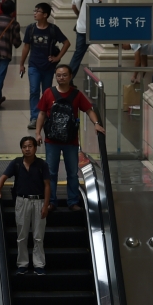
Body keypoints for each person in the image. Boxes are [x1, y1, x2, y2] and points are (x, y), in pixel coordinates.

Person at [36, 64, 105, 211]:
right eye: (58, 75)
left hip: (71, 141)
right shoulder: (48, 93)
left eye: (64, 75)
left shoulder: (77, 94)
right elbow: (41, 114)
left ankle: (73, 201)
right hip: (51, 141)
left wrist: (96, 124)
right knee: (51, 172)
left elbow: (89, 110)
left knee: (72, 173)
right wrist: (37, 133)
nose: (61, 77)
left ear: (70, 76)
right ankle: (51, 201)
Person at [0, 136, 52, 273]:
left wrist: (45, 205)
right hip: (22, 201)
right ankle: (22, 264)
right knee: (22, 235)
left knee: (38, 236)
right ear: (21, 149)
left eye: (30, 146)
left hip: (38, 201)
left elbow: (47, 185)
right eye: (24, 147)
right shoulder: (16, 163)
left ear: (35, 148)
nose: (27, 149)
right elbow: (3, 177)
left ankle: (39, 265)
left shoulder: (42, 164)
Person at [19, 2, 70, 129]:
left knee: (47, 92)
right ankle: (34, 117)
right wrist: (21, 64)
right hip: (34, 65)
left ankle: (45, 116)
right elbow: (26, 47)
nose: (35, 13)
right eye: (35, 10)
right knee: (34, 91)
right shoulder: (31, 28)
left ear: (45, 15)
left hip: (48, 66)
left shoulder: (53, 29)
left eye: (38, 11)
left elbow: (66, 43)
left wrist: (58, 58)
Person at [0, 0, 22, 110]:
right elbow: (16, 42)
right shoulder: (14, 23)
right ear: (13, 10)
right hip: (5, 53)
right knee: (0, 76)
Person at [69, 0, 102, 77]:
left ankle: (69, 77)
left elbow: (73, 6)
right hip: (95, 30)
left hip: (81, 27)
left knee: (78, 54)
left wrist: (80, 16)